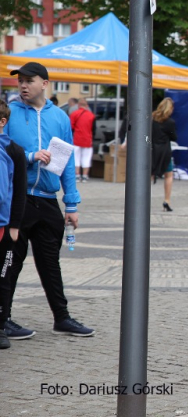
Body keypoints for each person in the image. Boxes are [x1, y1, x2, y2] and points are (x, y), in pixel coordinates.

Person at [4, 62, 94, 338]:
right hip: (17, 201)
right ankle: (3, 318)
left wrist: (72, 204)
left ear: (45, 83)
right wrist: (31, 156)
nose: (23, 85)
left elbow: (66, 163)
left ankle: (62, 317)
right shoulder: (9, 113)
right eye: (20, 80)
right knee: (9, 263)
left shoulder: (61, 118)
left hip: (47, 200)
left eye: (29, 80)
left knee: (50, 263)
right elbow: (2, 150)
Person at [0, 99, 27, 349]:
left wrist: (15, 226)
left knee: (3, 277)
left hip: (4, 226)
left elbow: (19, 192)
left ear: (2, 122)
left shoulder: (14, 151)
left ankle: (1, 325)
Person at [151, 98, 178, 212]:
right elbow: (174, 137)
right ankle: (166, 200)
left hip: (151, 150)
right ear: (170, 109)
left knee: (149, 175)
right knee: (169, 175)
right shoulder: (170, 122)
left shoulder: (151, 119)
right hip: (164, 151)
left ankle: (143, 200)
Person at [69, 98, 96, 183]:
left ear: (79, 105)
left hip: (77, 139)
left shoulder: (74, 114)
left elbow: (71, 128)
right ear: (87, 106)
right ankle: (85, 176)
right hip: (87, 140)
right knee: (86, 158)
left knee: (76, 158)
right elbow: (94, 129)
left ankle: (77, 176)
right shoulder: (92, 116)